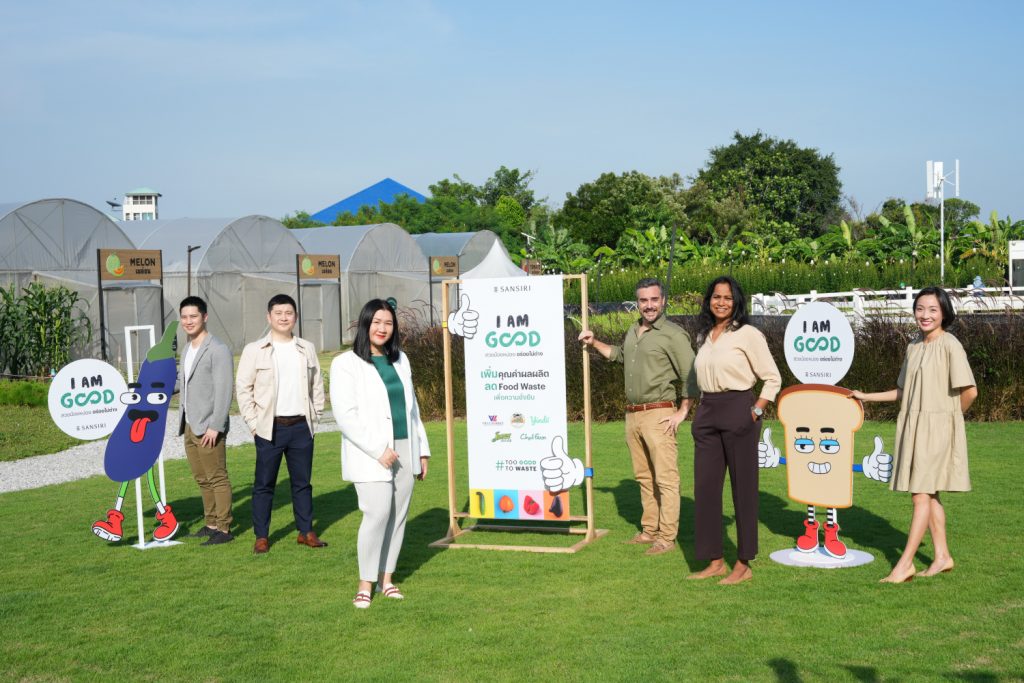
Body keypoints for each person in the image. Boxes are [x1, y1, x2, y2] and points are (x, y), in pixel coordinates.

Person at [852, 286, 977, 583]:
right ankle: (942, 556)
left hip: (938, 430)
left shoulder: (951, 345)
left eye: (932, 309)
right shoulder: (914, 346)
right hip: (915, 427)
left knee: (920, 494)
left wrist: (949, 420)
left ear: (944, 313)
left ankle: (904, 564)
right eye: (920, 308)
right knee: (929, 494)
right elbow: (902, 392)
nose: (925, 315)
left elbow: (970, 391)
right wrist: (866, 396)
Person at [578, 278, 697, 556]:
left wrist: (683, 411)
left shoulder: (673, 334)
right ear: (638, 303)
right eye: (644, 300)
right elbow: (621, 355)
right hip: (632, 415)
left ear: (663, 301)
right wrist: (594, 342)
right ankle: (649, 531)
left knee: (666, 479)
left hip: (660, 414)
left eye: (654, 299)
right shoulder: (634, 330)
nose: (649, 305)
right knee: (644, 477)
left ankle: (666, 537)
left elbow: (692, 374)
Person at [330, 299, 430, 608]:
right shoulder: (345, 364)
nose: (382, 328)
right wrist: (378, 449)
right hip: (370, 452)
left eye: (388, 323)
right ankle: (365, 583)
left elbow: (412, 410)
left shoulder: (401, 360)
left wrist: (422, 449)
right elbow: (345, 416)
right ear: (365, 324)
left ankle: (387, 579)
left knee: (398, 516)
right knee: (376, 514)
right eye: (376, 322)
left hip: (405, 448)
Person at [688, 275, 781, 585]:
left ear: (736, 301)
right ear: (708, 300)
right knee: (705, 489)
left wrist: (756, 410)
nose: (722, 302)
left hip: (739, 409)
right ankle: (714, 560)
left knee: (743, 489)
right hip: (707, 412)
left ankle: (743, 563)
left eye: (728, 297)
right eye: (716, 296)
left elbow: (773, 378)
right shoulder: (703, 336)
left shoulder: (748, 334)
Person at [236, 293, 326, 554]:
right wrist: (254, 425)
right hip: (269, 429)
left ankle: (306, 531)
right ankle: (262, 536)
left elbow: (317, 385)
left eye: (288, 313)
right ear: (269, 317)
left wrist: (315, 417)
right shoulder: (254, 350)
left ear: (295, 317)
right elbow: (243, 389)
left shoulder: (306, 348)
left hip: (301, 427)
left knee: (302, 483)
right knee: (264, 485)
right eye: (278, 313)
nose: (283, 318)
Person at [177, 296, 235, 545]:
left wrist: (216, 426)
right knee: (201, 478)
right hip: (190, 424)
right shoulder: (186, 349)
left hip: (209, 427)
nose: (188, 321)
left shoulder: (218, 349)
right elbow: (184, 383)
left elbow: (224, 390)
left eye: (193, 316)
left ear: (205, 317)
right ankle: (211, 523)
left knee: (217, 477)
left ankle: (224, 529)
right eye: (184, 317)